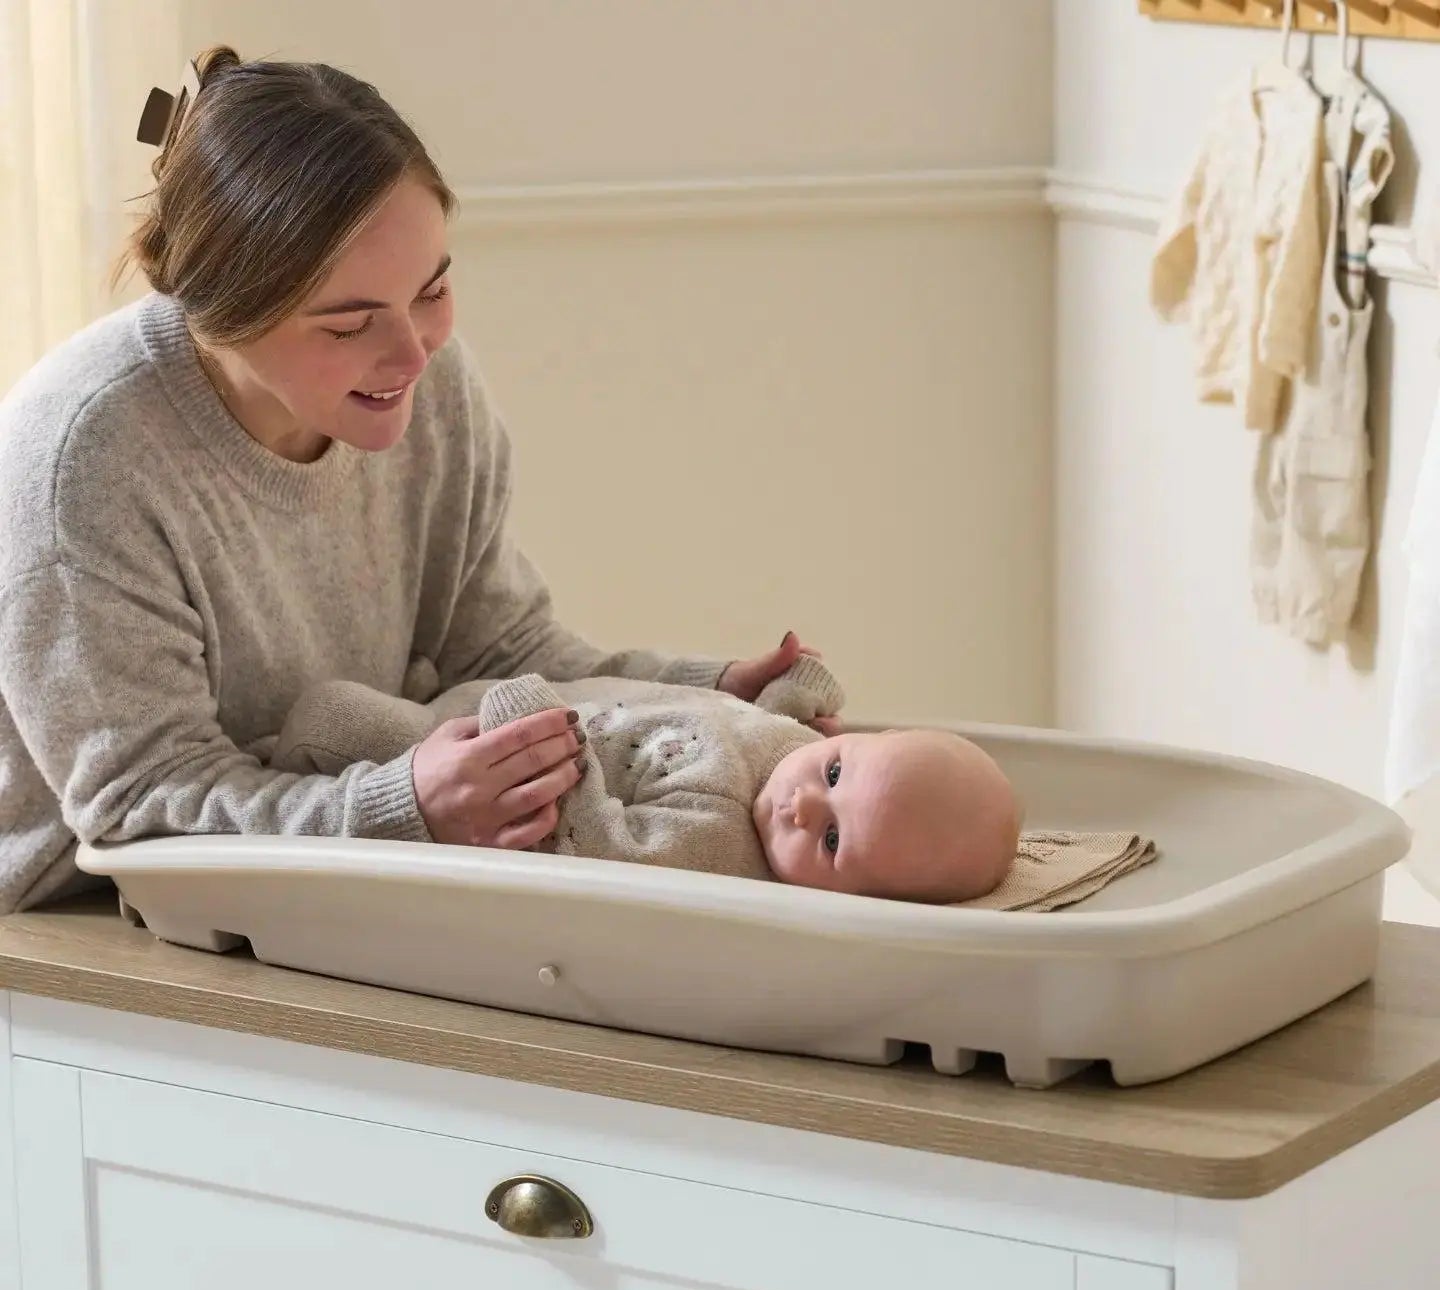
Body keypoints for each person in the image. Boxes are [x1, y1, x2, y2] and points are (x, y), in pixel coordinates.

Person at [0, 46, 837, 916]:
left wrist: (701, 699)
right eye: (349, 324)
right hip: (70, 932)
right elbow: (138, 811)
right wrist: (403, 806)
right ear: (223, 317)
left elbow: (496, 654)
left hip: (333, 885)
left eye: (432, 291)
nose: (412, 354)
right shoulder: (84, 459)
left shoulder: (423, 386)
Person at [271, 657, 1021, 904]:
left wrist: (535, 737)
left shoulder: (714, 844)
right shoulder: (797, 758)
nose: (799, 802)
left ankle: (282, 753)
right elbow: (749, 719)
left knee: (326, 713)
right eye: (834, 771)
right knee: (432, 682)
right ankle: (427, 685)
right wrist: (795, 688)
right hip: (545, 692)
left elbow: (593, 841)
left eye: (829, 838)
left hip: (475, 756)